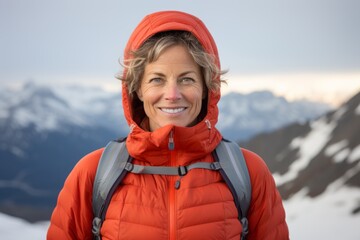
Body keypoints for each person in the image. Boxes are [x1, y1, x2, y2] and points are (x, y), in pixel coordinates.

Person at [47, 10, 289, 240]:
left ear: (206, 88)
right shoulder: (93, 173)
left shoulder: (248, 173)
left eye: (186, 79)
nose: (172, 94)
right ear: (137, 89)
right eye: (156, 79)